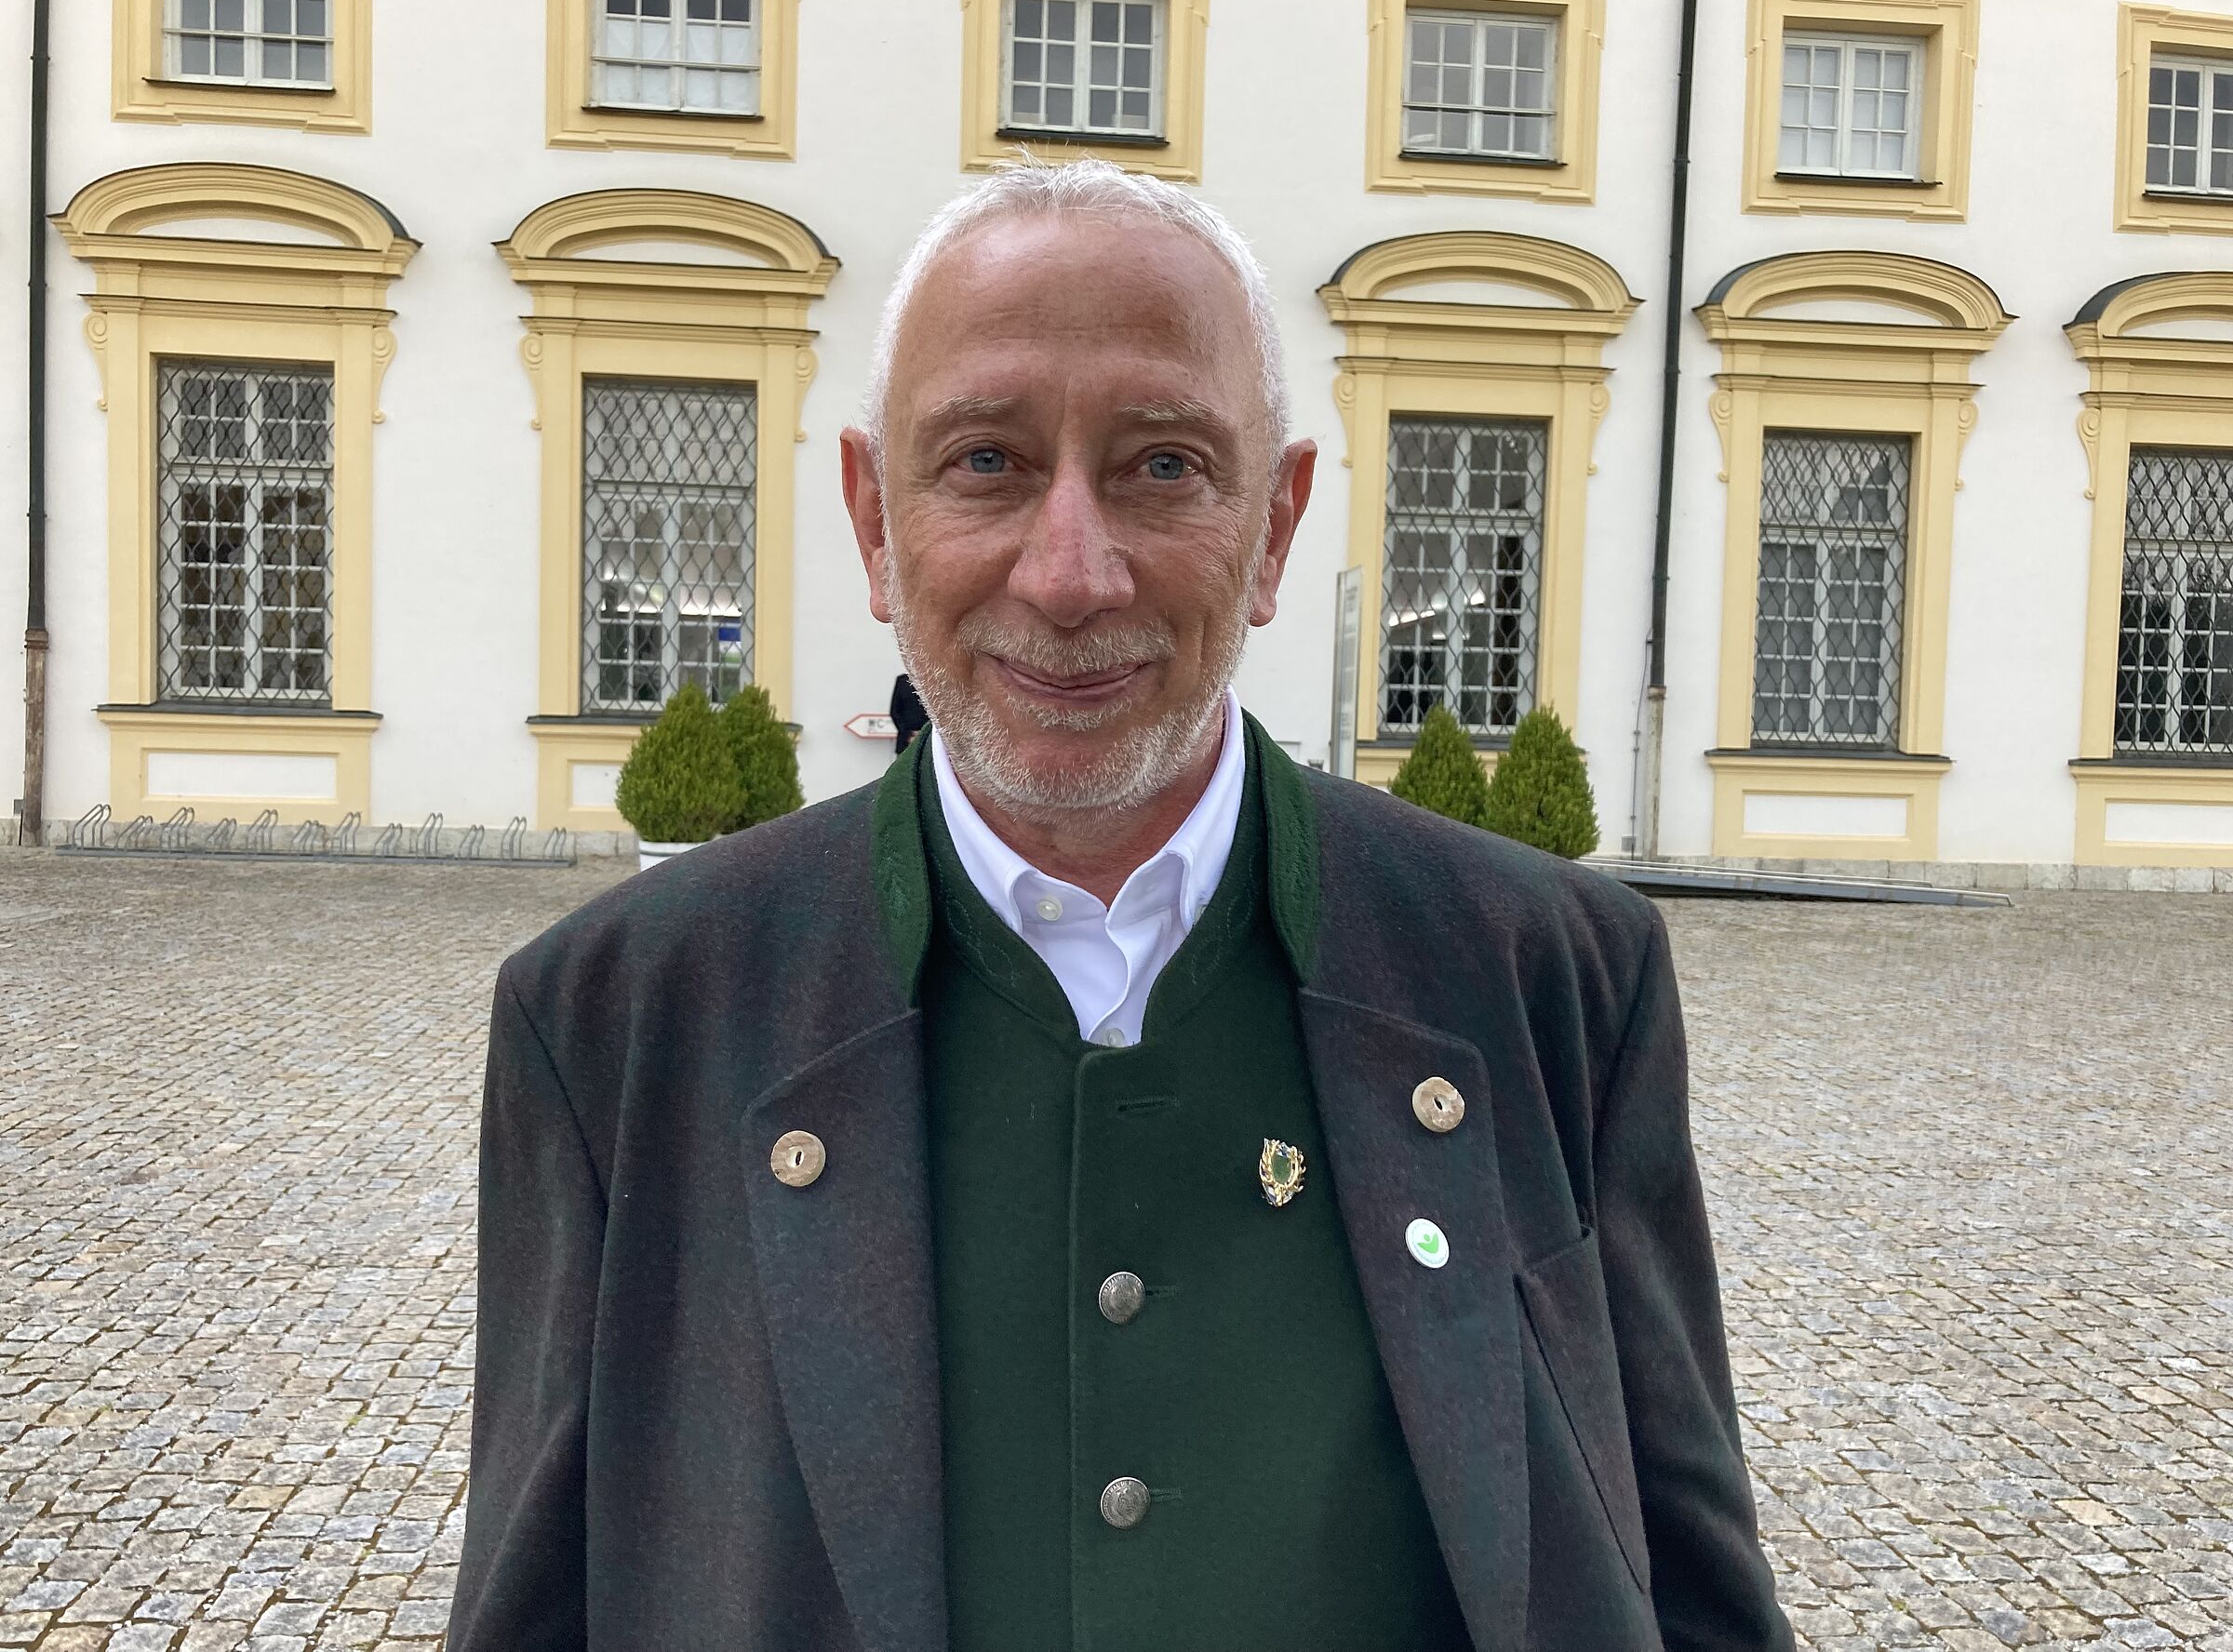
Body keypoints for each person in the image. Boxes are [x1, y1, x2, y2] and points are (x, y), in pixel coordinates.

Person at [448, 160, 1794, 1652]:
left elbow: (1682, 1581)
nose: (1073, 573)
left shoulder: (1552, 981)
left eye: (1163, 465)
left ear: (1275, 524)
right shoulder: (621, 1021)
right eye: (985, 462)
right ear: (872, 520)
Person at [889, 670, 929, 753]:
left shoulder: (931, 681)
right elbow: (895, 711)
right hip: (906, 740)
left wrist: (923, 733)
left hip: (928, 740)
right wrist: (908, 734)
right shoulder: (902, 681)